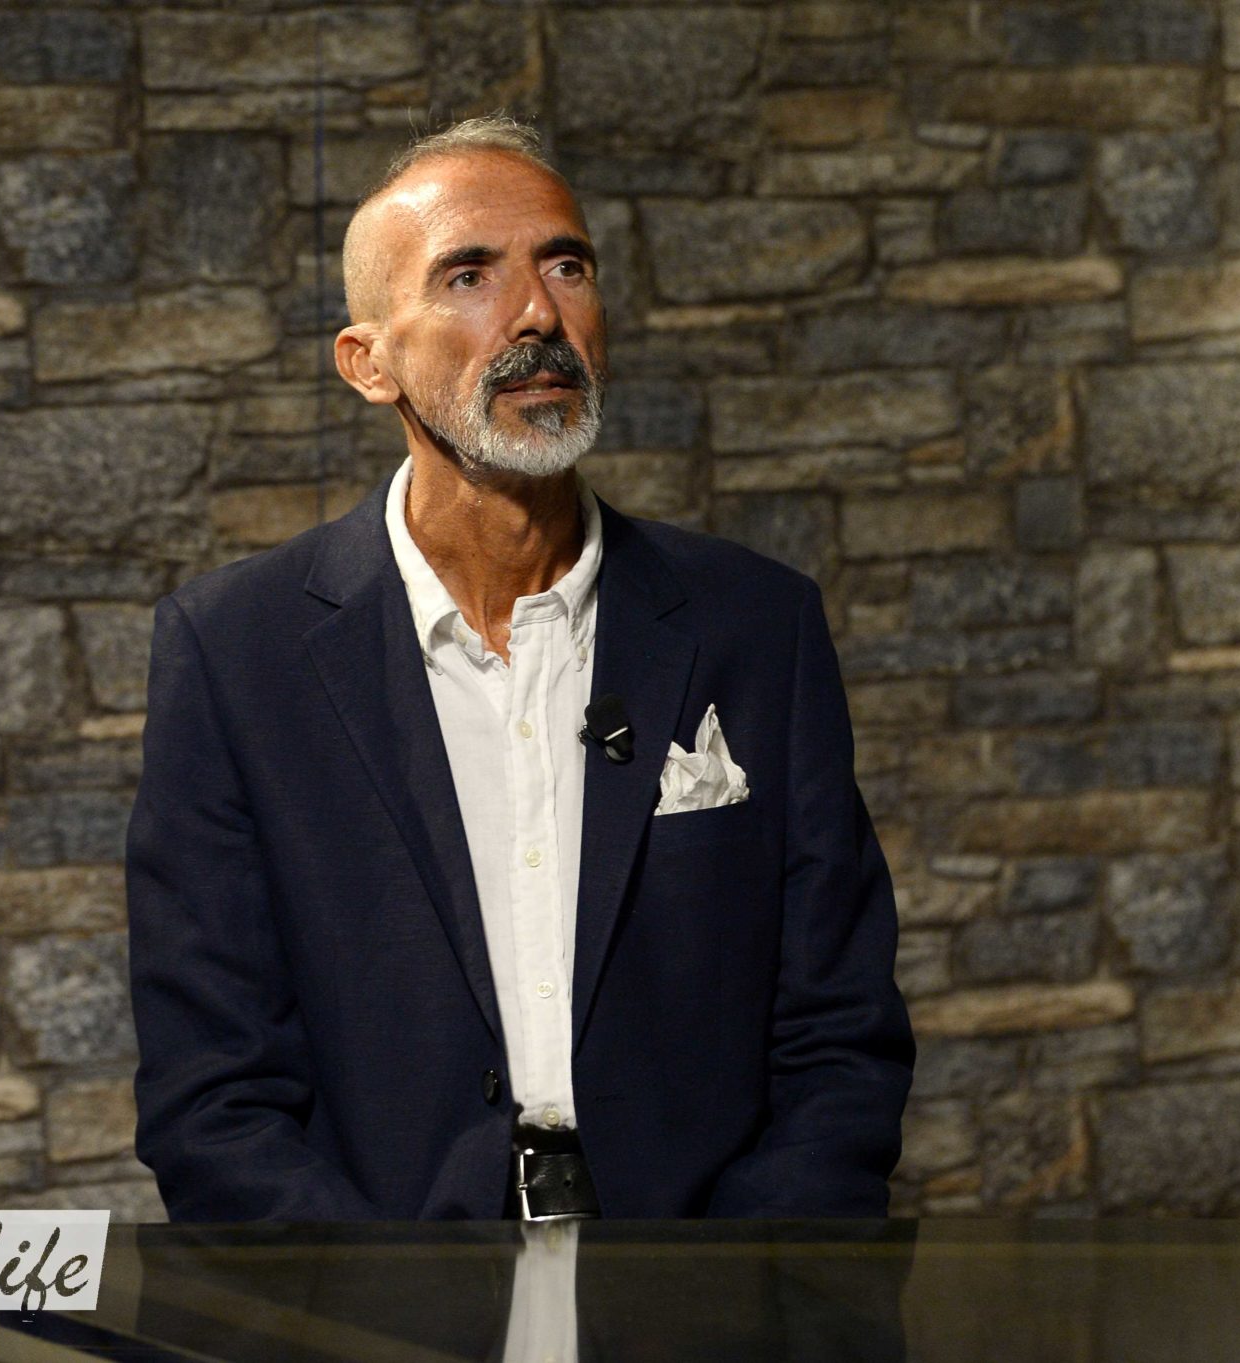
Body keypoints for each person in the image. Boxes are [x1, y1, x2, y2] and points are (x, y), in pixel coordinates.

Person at [126, 114, 913, 1222]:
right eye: (469, 275)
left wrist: (733, 1290)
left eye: (566, 265)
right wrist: (391, 1307)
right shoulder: (233, 654)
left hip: (705, 1283)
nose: (538, 312)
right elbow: (211, 1097)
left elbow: (840, 1039)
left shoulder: (756, 626)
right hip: (388, 1292)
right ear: (368, 363)